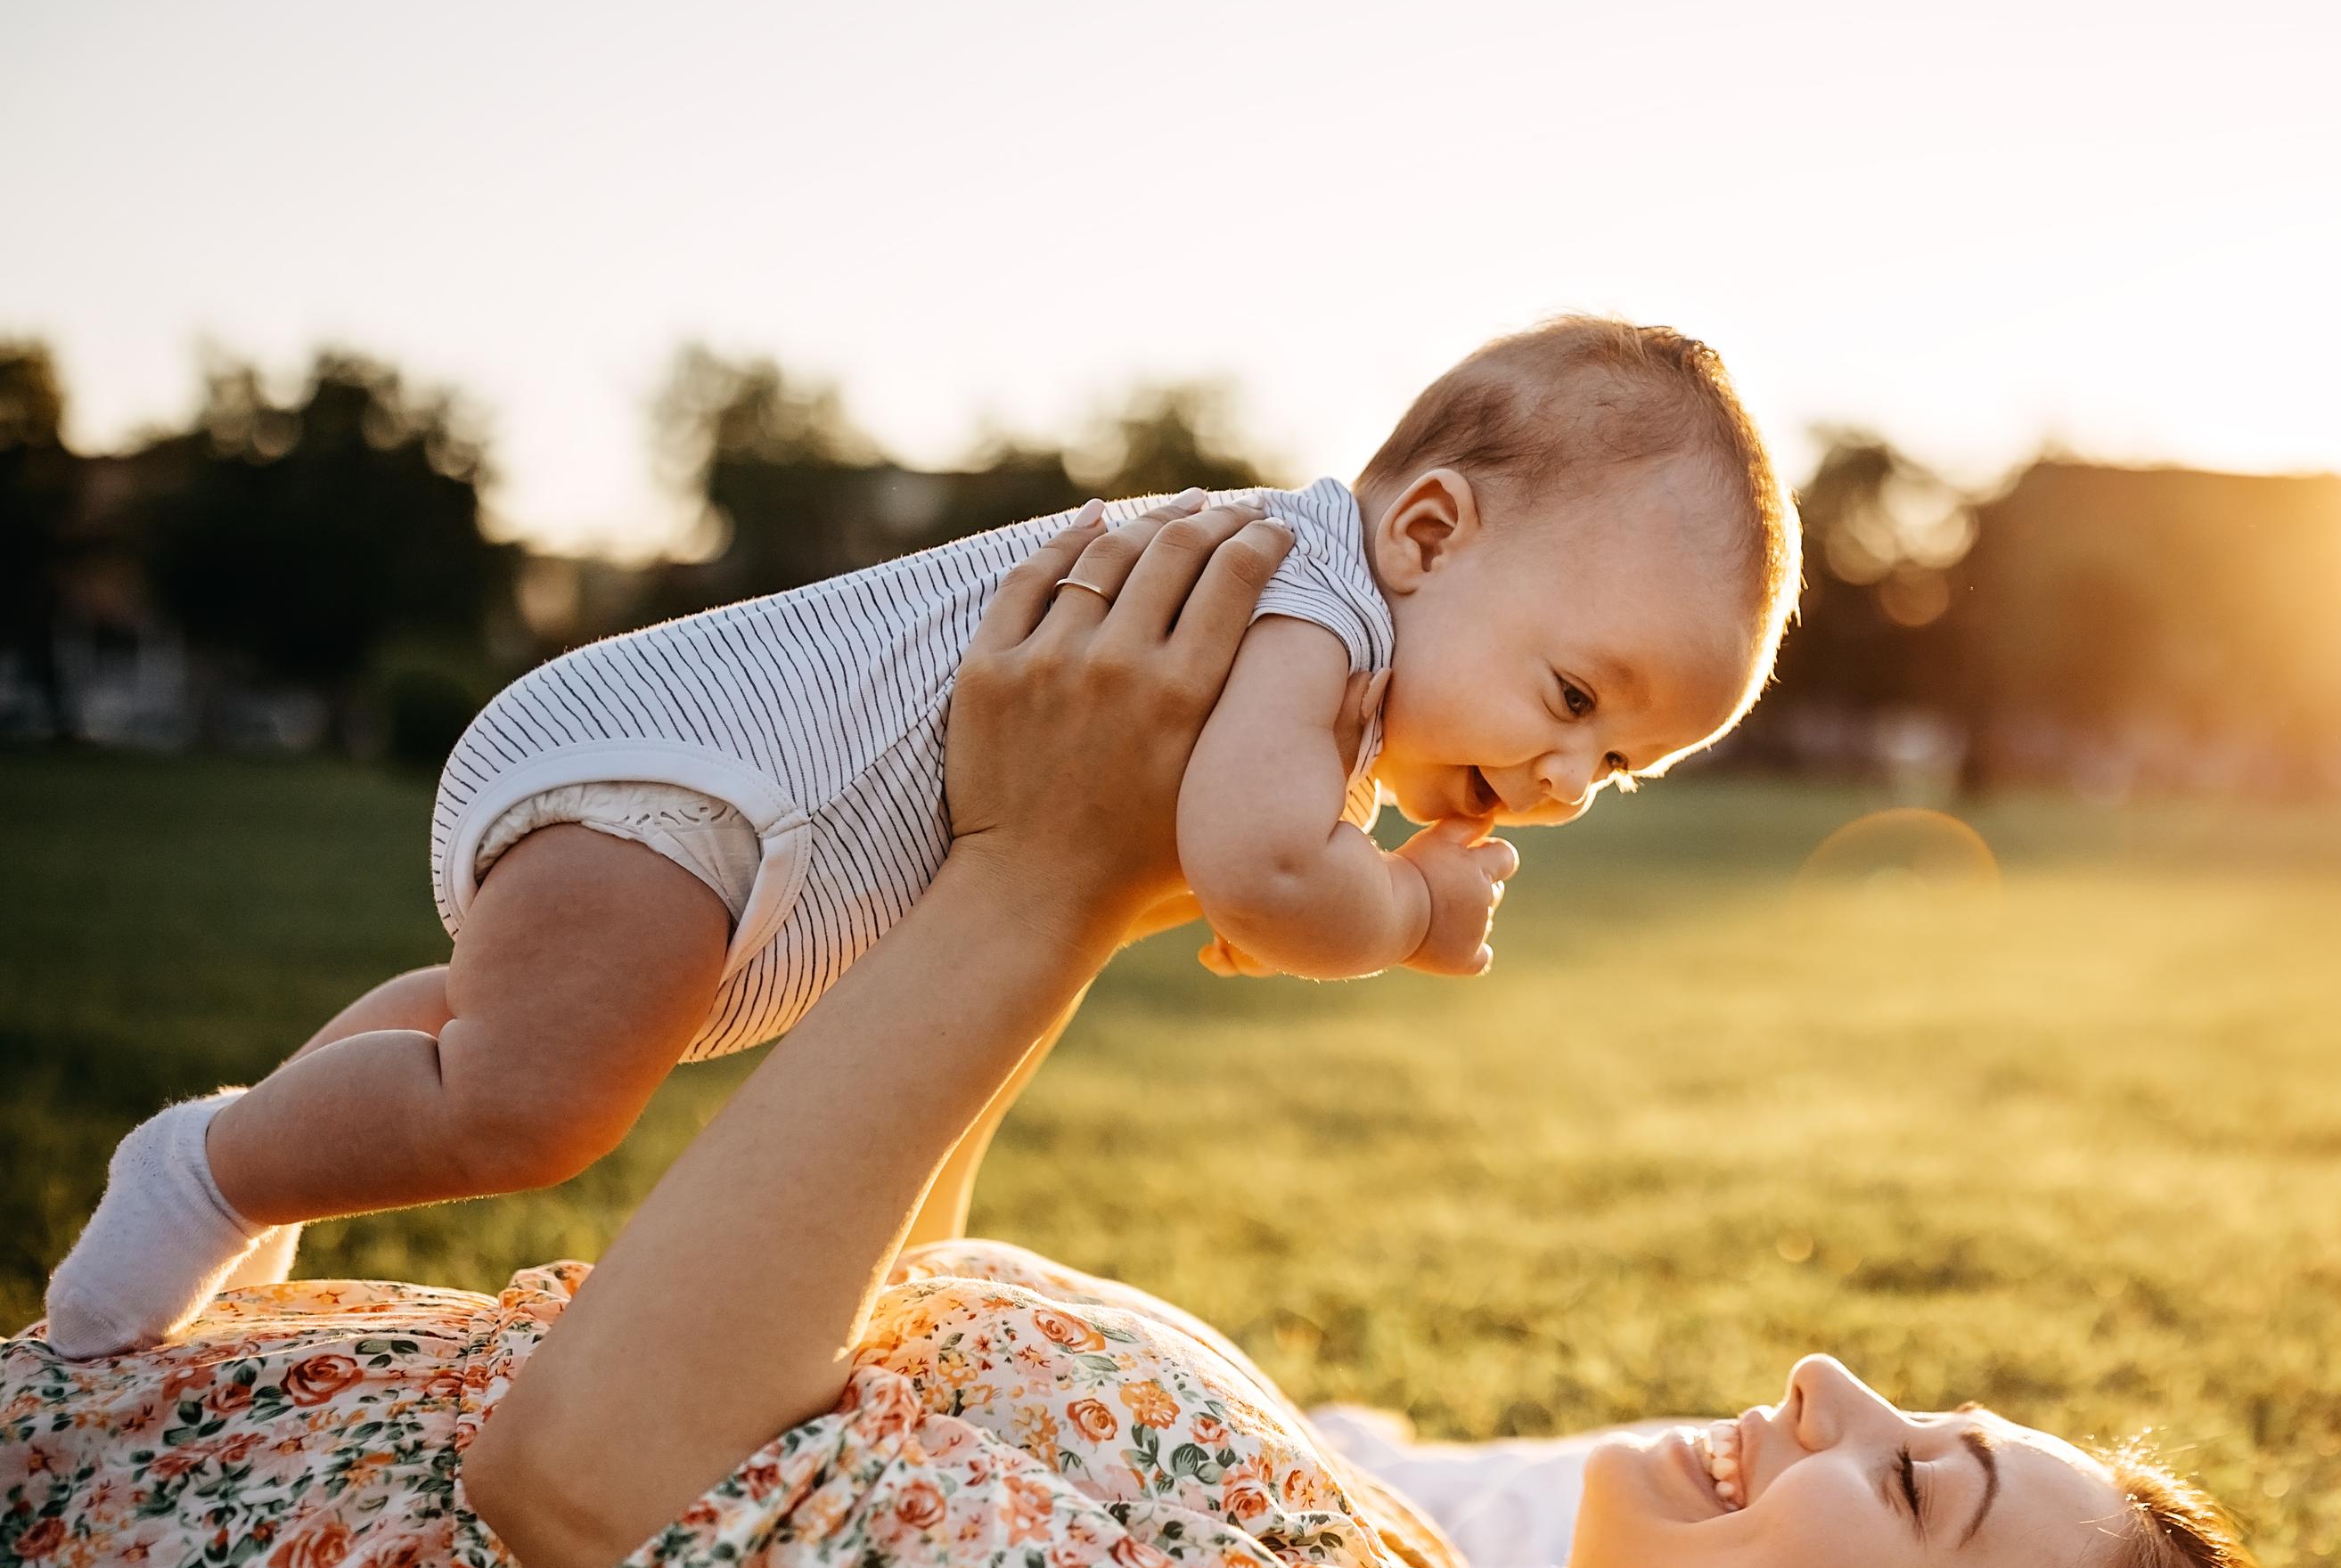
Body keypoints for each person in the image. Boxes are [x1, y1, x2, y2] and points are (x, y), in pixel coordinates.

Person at [2, 505, 2324, 1568]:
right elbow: (869, 1358)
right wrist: (1065, 886)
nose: (1824, 1379)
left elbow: (602, 1489)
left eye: (1915, 1485)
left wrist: (1035, 879)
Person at [44, 319, 1799, 1360]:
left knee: (484, 1029)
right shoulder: (1308, 605)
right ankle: (206, 1167)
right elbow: (1263, 873)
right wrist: (1407, 904)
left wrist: (1329, 870)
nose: (1569, 774)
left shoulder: (1319, 650)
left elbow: (1225, 873)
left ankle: (276, 1149)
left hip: (692, 808)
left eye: (1623, 764)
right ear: (1428, 528)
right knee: (537, 1102)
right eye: (1575, 693)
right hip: (704, 782)